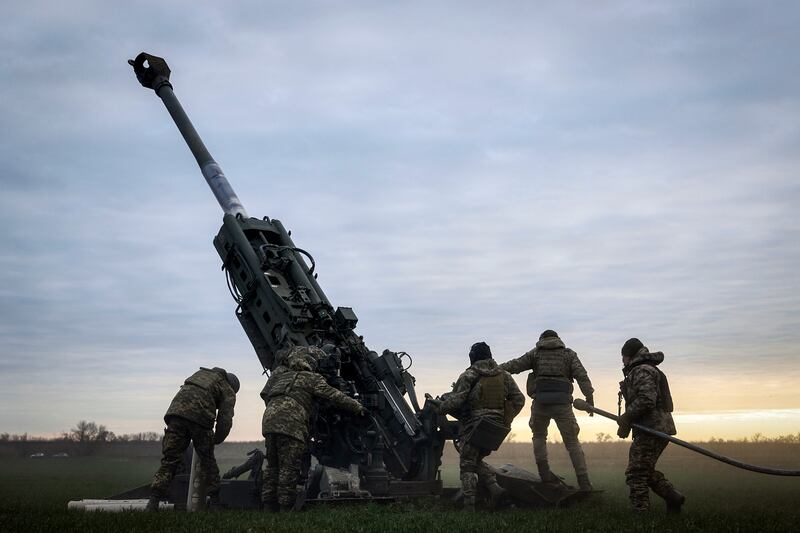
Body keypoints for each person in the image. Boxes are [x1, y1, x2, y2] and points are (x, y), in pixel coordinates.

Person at [260, 346, 366, 511]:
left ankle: (267, 507)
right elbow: (334, 395)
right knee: (289, 468)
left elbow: (266, 395)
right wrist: (357, 407)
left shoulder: (282, 377)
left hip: (269, 423)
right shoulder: (312, 378)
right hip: (291, 425)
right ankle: (284, 510)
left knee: (273, 467)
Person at [435, 342, 525, 510]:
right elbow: (519, 400)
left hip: (475, 427)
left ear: (473, 357)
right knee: (475, 460)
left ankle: (469, 506)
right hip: (496, 429)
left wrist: (439, 407)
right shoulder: (505, 376)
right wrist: (506, 419)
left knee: (467, 466)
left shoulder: (469, 375)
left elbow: (457, 401)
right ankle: (495, 489)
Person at [500, 329, 593, 490]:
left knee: (538, 436)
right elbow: (582, 376)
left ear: (542, 339)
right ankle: (584, 482)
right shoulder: (568, 355)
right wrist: (589, 397)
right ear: (558, 339)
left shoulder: (535, 354)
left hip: (540, 403)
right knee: (572, 442)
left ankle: (545, 475)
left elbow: (515, 365)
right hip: (562, 404)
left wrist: (495, 369)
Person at [147, 366, 239, 511]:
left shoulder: (201, 374)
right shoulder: (227, 388)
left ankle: (153, 501)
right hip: (200, 418)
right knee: (208, 461)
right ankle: (215, 503)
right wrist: (216, 439)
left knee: (169, 460)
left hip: (176, 413)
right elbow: (225, 419)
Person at [617, 338, 685, 513]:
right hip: (655, 427)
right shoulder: (646, 368)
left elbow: (646, 400)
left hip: (652, 429)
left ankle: (641, 514)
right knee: (645, 470)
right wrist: (627, 422)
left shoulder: (641, 370)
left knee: (636, 473)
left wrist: (626, 416)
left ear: (629, 355)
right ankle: (673, 497)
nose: (622, 361)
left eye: (623, 357)